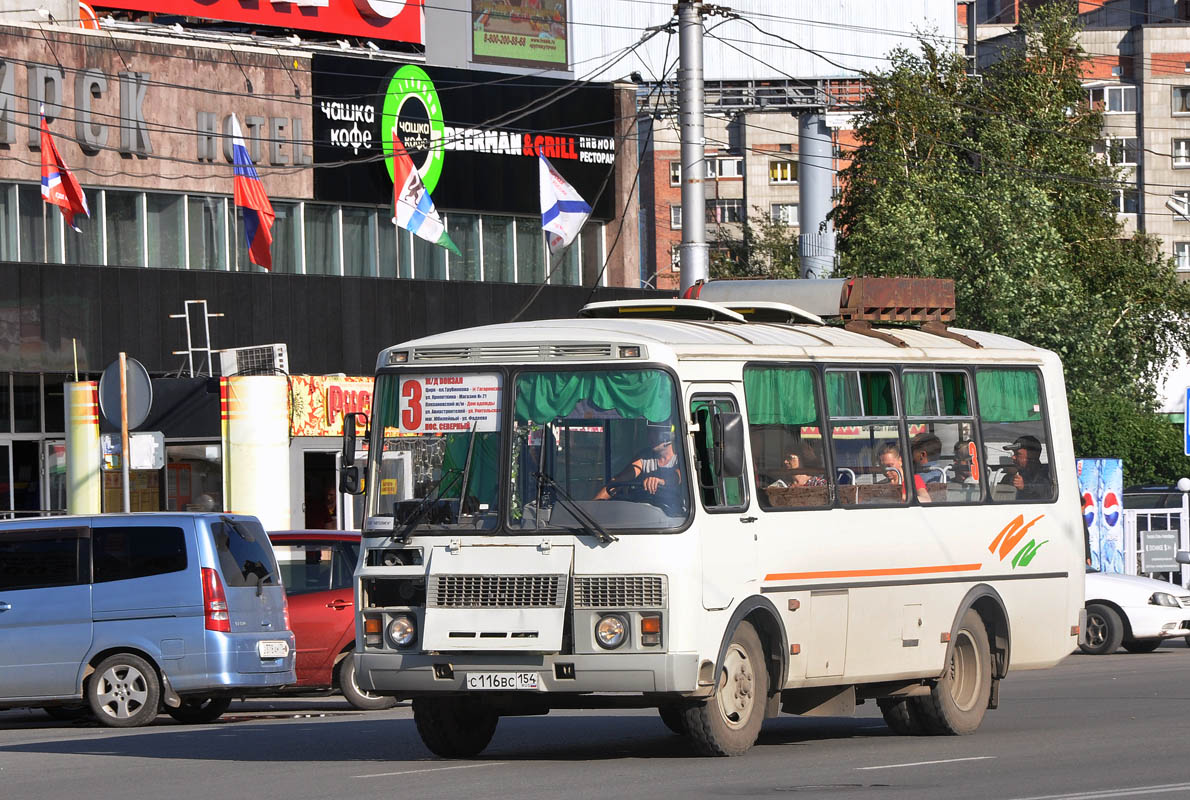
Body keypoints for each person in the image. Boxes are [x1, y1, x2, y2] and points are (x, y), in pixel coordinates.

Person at [594, 426, 683, 503]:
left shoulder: (682, 457)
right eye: (649, 431)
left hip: (674, 516)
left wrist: (661, 482)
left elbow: (678, 476)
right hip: (645, 512)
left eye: (656, 432)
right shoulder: (644, 456)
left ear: (669, 435)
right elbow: (620, 479)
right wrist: (594, 504)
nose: (650, 436)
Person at [1000, 435, 1052, 500]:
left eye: (1018, 454)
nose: (1013, 457)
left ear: (1032, 455)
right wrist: (1008, 477)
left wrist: (1025, 486)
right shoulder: (1019, 473)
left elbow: (1048, 490)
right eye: (1013, 453)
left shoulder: (1048, 472)